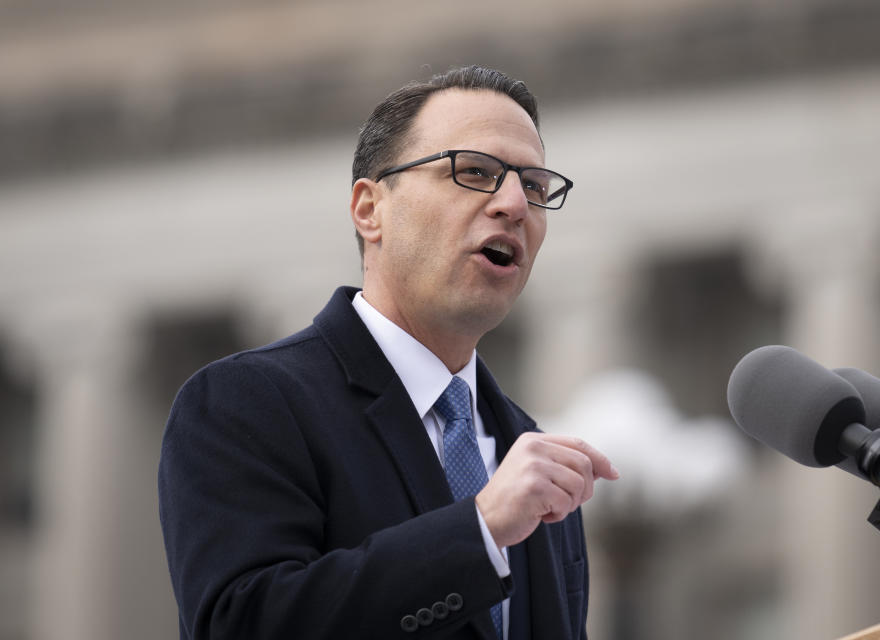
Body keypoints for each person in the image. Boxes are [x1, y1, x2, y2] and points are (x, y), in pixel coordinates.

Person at [158, 64, 618, 640]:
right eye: (474, 171)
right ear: (370, 209)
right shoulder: (246, 403)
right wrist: (477, 531)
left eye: (533, 186)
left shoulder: (530, 459)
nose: (514, 205)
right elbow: (241, 625)